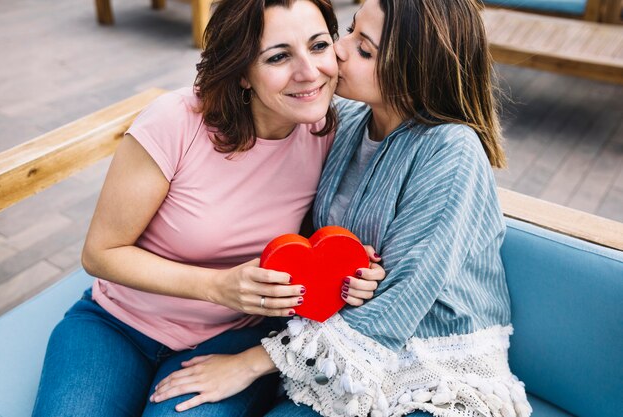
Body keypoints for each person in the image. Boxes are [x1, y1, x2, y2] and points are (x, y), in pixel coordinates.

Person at [150, 0, 533, 416]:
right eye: (350, 30)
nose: (340, 50)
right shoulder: (345, 121)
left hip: (429, 368)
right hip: (334, 344)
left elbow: (398, 304)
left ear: (415, 70)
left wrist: (247, 365)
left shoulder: (451, 150)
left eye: (364, 49)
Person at [31, 1, 384, 417]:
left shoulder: (330, 130)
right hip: (117, 324)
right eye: (278, 56)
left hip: (236, 336)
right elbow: (100, 253)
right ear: (241, 73)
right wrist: (217, 286)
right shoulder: (174, 122)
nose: (309, 72)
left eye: (319, 46)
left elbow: (333, 239)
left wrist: (358, 274)